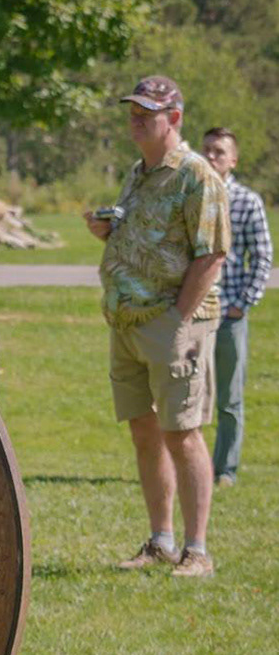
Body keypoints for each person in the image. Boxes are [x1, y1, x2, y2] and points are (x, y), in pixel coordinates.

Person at [86, 76, 231, 578]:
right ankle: (161, 541)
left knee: (182, 433)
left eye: (147, 112)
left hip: (172, 323)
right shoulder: (140, 170)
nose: (136, 120)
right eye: (133, 111)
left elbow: (211, 254)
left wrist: (178, 319)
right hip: (126, 321)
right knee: (144, 432)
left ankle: (198, 551)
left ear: (175, 118)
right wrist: (109, 230)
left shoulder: (197, 175)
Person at [200, 127, 271, 487]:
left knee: (229, 398)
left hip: (228, 315)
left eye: (219, 151)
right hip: (192, 315)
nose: (212, 157)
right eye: (207, 150)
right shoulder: (191, 196)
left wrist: (242, 305)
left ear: (233, 160)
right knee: (187, 401)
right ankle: (191, 470)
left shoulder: (247, 202)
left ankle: (224, 469)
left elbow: (262, 259)